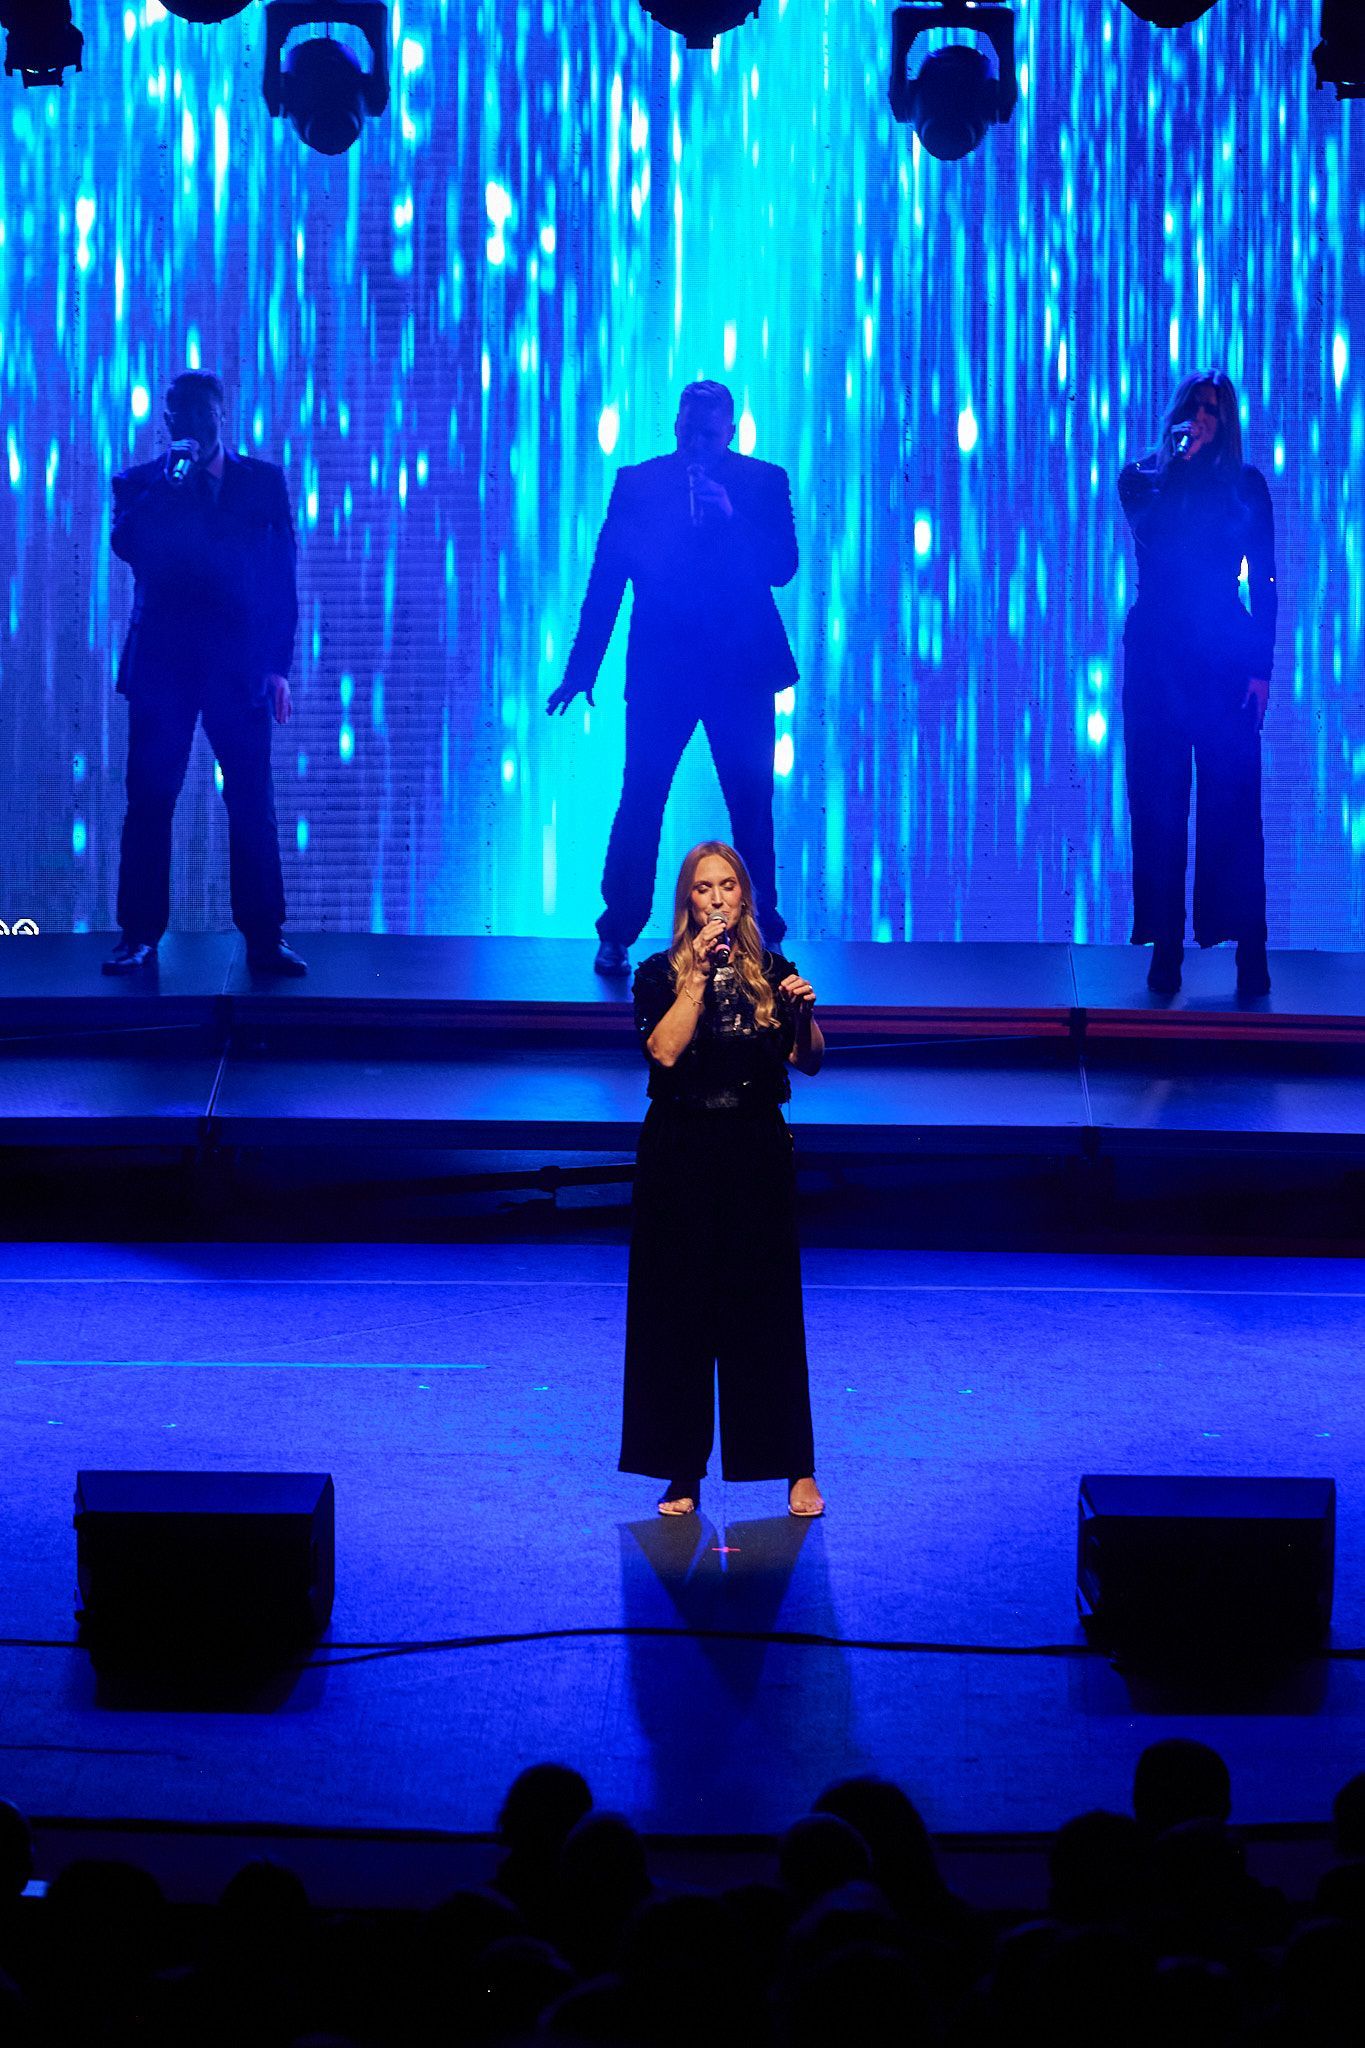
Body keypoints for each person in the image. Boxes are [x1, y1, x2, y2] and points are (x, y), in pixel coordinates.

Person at [547, 381, 798, 975]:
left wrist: (731, 515)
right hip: (665, 671)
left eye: (709, 436)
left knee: (751, 804)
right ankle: (618, 930)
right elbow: (607, 577)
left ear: (731, 432)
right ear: (676, 426)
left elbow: (782, 567)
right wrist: (583, 667)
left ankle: (760, 935)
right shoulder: (639, 484)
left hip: (740, 671)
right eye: (688, 433)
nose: (697, 446)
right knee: (641, 796)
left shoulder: (762, 482)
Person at [621, 840, 823, 1518]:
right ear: (688, 901)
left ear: (743, 897)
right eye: (704, 888)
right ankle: (680, 1469)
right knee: (675, 1311)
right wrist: (696, 981)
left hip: (753, 1145)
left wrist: (802, 1014)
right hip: (680, 1147)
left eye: (727, 886)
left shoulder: (770, 968)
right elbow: (665, 1049)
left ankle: (793, 1466)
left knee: (764, 1308)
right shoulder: (656, 974)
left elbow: (809, 1061)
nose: (716, 899)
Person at [105, 368, 306, 976]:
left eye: (202, 411)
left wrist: (278, 666)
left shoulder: (263, 482)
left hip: (239, 667)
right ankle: (139, 934)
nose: (192, 422)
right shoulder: (140, 484)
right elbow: (127, 546)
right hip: (163, 668)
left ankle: (264, 937)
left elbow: (281, 577)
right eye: (180, 414)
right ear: (168, 423)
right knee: (150, 800)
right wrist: (169, 484)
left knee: (251, 802)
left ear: (222, 414)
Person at [1117, 369, 1278, 995]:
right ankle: (1165, 945)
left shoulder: (1245, 487)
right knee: (1157, 804)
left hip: (1223, 660)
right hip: (1157, 658)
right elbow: (1156, 538)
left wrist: (1262, 668)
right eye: (1193, 406)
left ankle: (1250, 947)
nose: (1202, 417)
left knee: (1233, 806)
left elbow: (1263, 579)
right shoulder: (1143, 479)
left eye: (1213, 409)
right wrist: (1179, 462)